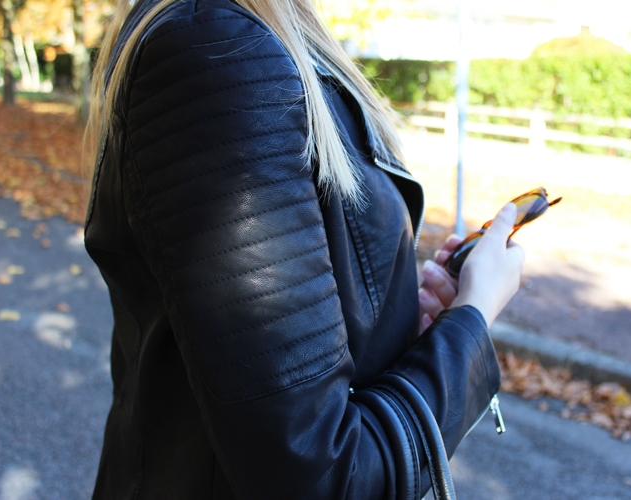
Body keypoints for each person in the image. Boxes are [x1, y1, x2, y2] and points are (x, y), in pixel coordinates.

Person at [84, 0, 525, 498]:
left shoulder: (257, 39)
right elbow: (323, 476)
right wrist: (473, 315)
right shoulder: (217, 48)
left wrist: (398, 325)